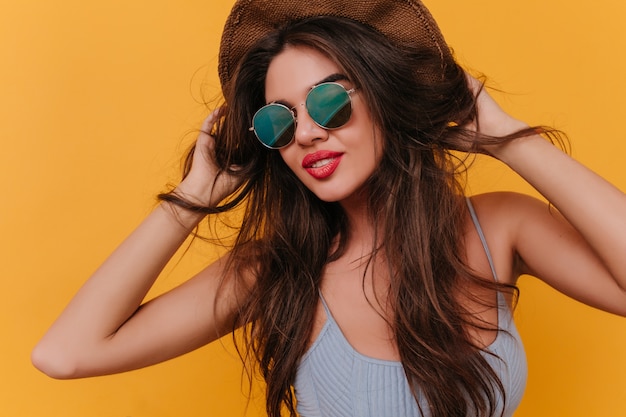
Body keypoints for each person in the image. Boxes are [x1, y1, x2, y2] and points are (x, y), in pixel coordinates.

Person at [31, 1, 626, 416]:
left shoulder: (499, 226)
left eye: (329, 102)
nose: (307, 133)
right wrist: (191, 200)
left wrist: (508, 140)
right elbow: (66, 354)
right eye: (278, 121)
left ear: (383, 98)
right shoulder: (275, 271)